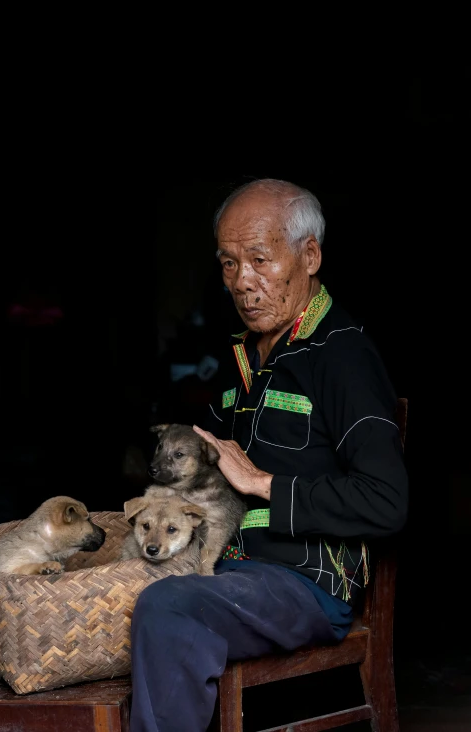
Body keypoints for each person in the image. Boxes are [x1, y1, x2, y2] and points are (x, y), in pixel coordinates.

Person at [129, 178, 409, 732]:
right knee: (117, 582)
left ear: (310, 256)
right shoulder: (245, 355)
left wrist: (261, 483)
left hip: (303, 583)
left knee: (168, 607)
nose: (242, 282)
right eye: (229, 264)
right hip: (233, 566)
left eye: (259, 259)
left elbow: (387, 501)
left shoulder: (343, 358)